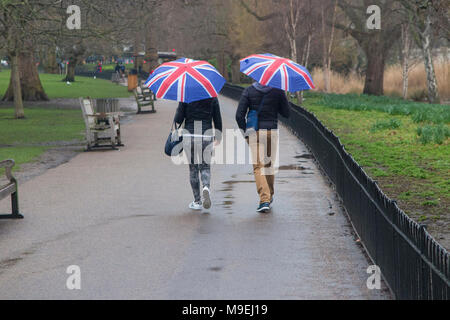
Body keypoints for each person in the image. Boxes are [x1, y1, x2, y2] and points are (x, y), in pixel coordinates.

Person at [235, 82, 290, 213]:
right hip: (271, 132)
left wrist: (245, 133)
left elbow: (239, 115)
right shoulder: (278, 91)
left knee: (258, 166)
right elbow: (287, 113)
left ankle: (264, 199)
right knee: (269, 165)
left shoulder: (248, 91)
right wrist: (283, 100)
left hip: (254, 133)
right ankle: (269, 195)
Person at [174, 98, 222, 211]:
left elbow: (178, 119)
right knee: (205, 166)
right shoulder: (212, 95)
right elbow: (217, 118)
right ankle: (206, 187)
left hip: (189, 135)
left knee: (193, 168)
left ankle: (197, 201)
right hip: (206, 134)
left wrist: (180, 108)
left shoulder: (185, 96)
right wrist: (218, 136)